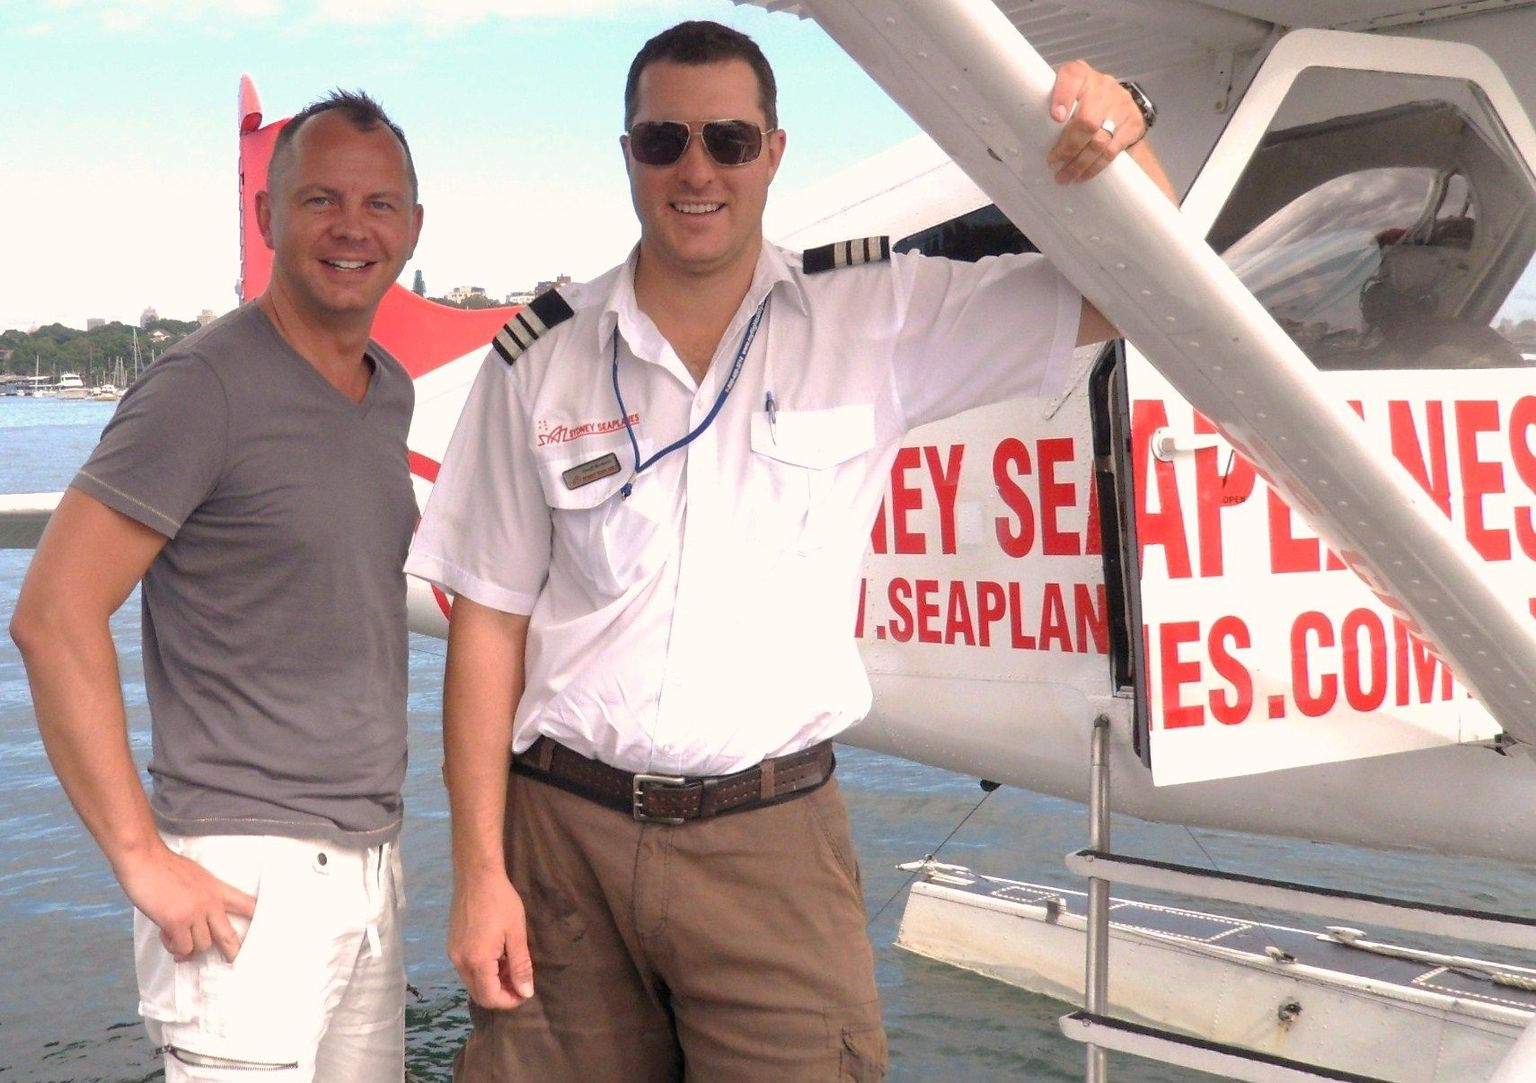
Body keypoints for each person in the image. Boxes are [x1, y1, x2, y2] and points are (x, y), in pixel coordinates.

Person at [405, 19, 1173, 1081]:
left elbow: (1134, 289)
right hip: (561, 837)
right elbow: (488, 623)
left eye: (727, 138)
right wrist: (479, 873)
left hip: (769, 839)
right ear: (626, 152)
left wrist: (1124, 142)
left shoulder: (874, 314)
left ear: (773, 151)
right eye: (662, 139)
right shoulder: (541, 358)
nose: (695, 168)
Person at [10, 89, 423, 1080]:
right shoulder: (205, 386)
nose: (351, 228)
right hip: (243, 880)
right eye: (321, 199)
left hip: (372, 859)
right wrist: (140, 858)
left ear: (413, 226)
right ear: (266, 217)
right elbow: (52, 615)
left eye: (380, 203)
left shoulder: (387, 387)